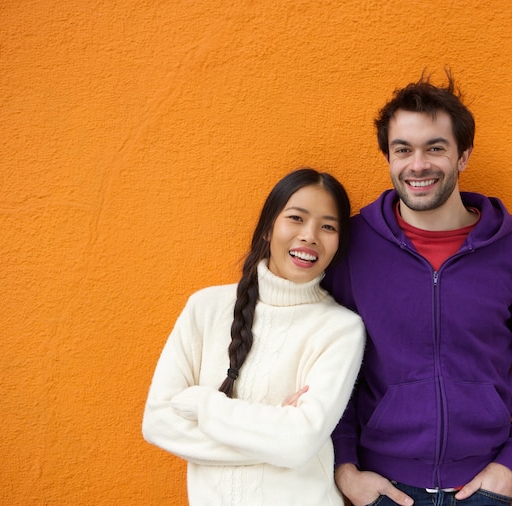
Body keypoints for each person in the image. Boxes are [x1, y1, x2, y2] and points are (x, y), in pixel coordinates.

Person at [322, 72, 512, 506]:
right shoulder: (356, 245)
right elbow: (330, 366)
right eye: (403, 150)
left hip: (482, 489)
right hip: (383, 488)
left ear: (463, 156)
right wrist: (345, 468)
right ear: (388, 157)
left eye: (435, 148)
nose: (418, 165)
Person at [142, 168, 366, 505]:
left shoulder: (341, 328)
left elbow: (298, 443)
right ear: (267, 228)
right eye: (296, 218)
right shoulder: (205, 308)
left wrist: (205, 404)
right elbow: (158, 423)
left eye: (328, 226)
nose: (310, 235)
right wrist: (274, 430)